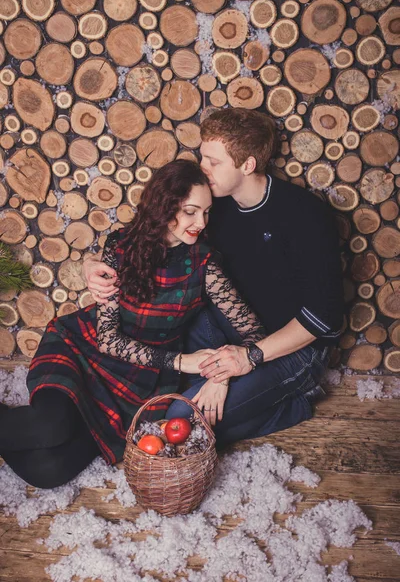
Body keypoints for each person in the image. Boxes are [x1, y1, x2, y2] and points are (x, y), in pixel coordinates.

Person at [0, 159, 287, 489]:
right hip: (84, 351)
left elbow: (254, 334)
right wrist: (182, 361)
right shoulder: (120, 247)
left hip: (141, 383)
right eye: (191, 211)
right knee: (48, 429)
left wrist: (222, 374)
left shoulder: (205, 266)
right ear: (166, 207)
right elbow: (108, 339)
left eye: (206, 213)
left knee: (46, 472)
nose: (200, 222)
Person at [86, 108, 344, 449]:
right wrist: (89, 261)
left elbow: (323, 319)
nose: (202, 169)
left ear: (247, 165)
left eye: (213, 161)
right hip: (224, 326)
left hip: (289, 350)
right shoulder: (213, 204)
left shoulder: (305, 215)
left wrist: (245, 359)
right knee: (151, 399)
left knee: (181, 419)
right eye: (202, 157)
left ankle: (292, 407)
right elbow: (148, 232)